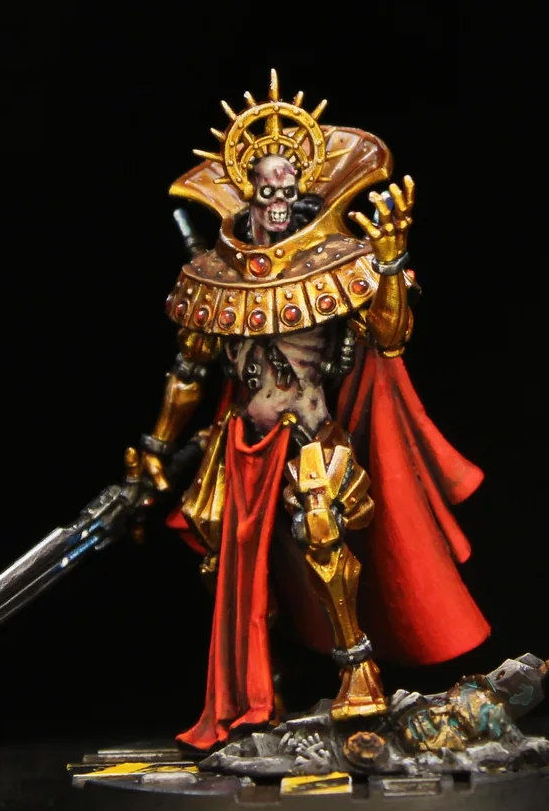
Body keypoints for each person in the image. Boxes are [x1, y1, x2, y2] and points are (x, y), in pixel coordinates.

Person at [135, 71, 489, 752]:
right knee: (222, 555)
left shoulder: (336, 261)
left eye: (286, 189)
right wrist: (154, 449)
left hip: (310, 434)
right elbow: (189, 371)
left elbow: (389, 337)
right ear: (246, 190)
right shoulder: (215, 272)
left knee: (322, 530)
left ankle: (358, 670)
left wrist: (391, 265)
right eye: (264, 190)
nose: (276, 202)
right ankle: (258, 687)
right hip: (240, 443)